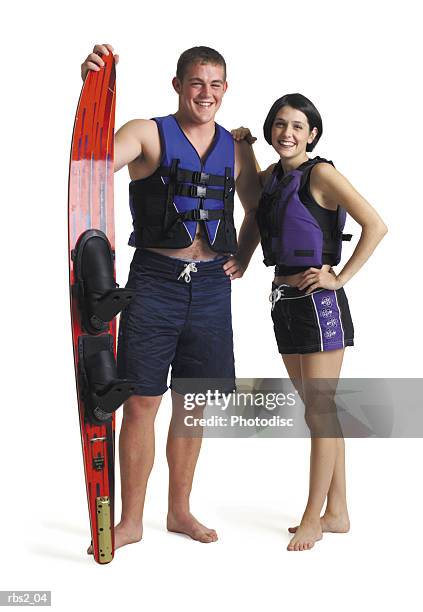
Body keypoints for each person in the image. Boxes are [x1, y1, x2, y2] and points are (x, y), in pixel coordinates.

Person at [80, 43, 261, 552]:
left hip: (210, 288)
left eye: (216, 84)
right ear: (178, 84)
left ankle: (179, 511)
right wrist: (91, 89)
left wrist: (243, 256)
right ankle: (131, 520)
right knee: (140, 402)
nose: (206, 93)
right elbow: (92, 163)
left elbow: (254, 210)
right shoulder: (146, 133)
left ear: (226, 89)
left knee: (195, 404)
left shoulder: (235, 146)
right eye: (197, 82)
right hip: (155, 282)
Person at [232, 93, 388, 551]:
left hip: (318, 304)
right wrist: (244, 148)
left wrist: (339, 278)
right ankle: (337, 511)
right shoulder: (275, 176)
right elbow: (251, 202)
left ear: (312, 134)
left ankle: (313, 517)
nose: (287, 133)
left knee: (321, 411)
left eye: (298, 126)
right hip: (283, 299)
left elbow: (375, 224)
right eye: (280, 124)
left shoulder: (321, 173)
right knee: (319, 411)